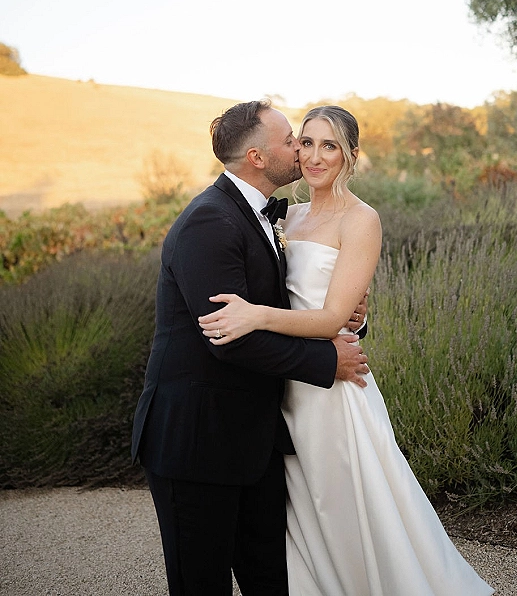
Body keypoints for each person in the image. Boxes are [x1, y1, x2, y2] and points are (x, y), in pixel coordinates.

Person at [199, 105, 495, 596]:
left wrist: (256, 315)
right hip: (282, 389)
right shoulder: (284, 218)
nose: (314, 156)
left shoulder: (362, 220)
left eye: (330, 145)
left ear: (351, 156)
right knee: (301, 516)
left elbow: (335, 318)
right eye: (307, 142)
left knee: (350, 508)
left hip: (333, 389)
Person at [131, 100, 371, 596]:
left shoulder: (267, 216)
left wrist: (349, 318)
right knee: (202, 585)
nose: (302, 151)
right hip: (195, 442)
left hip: (256, 439)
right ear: (259, 158)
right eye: (293, 141)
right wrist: (328, 360)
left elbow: (294, 299)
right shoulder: (209, 221)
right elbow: (228, 338)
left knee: (275, 581)